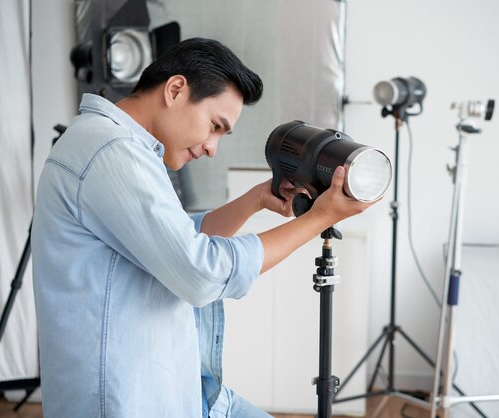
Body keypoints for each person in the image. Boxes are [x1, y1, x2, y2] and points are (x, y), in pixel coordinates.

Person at [32, 37, 377, 418]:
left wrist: (256, 199)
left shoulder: (124, 148)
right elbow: (199, 272)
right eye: (215, 126)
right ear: (176, 89)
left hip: (182, 391)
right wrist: (319, 218)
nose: (212, 147)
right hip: (127, 401)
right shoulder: (109, 151)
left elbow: (179, 241)